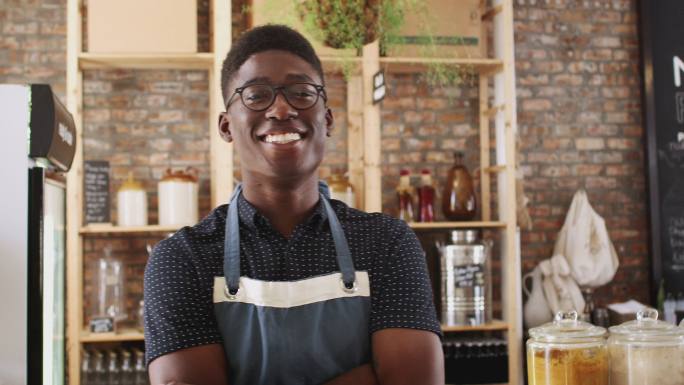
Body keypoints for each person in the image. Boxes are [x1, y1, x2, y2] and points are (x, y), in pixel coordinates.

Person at [144, 24, 444, 385]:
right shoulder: (182, 259)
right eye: (256, 95)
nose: (282, 107)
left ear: (327, 119)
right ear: (226, 127)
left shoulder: (387, 243)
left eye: (302, 92)